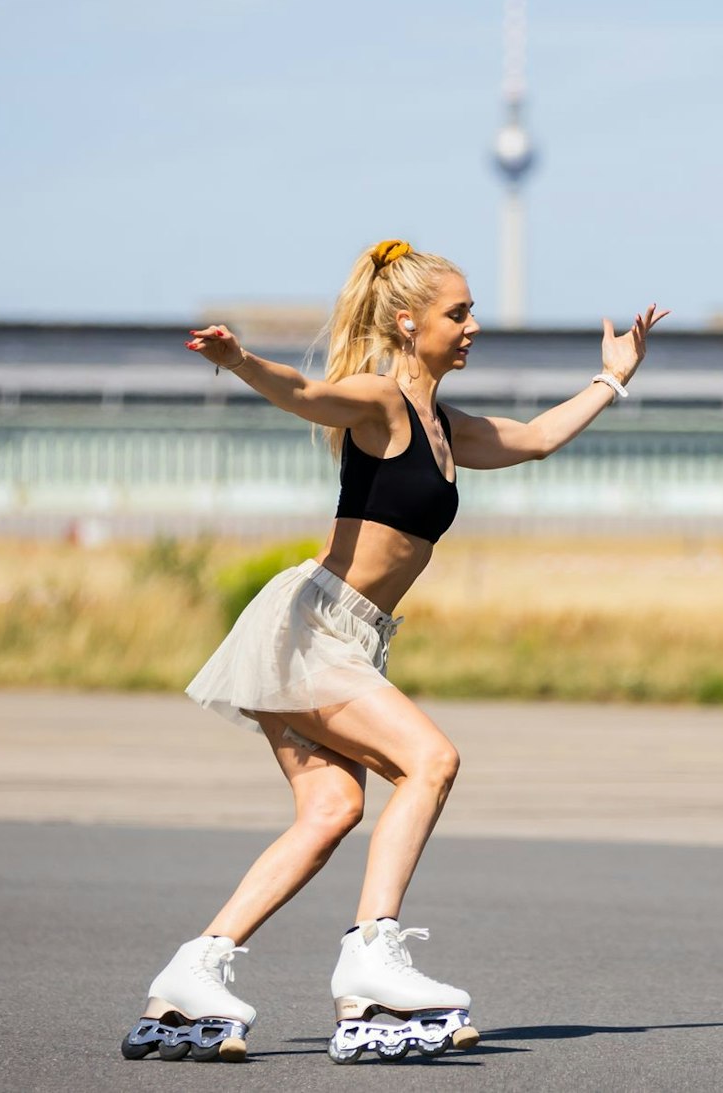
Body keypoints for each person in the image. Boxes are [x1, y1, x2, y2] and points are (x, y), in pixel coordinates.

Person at [121, 238, 667, 1064]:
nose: (474, 324)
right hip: (315, 631)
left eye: (472, 309)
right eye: (459, 312)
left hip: (344, 641)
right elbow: (307, 390)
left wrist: (612, 376)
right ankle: (372, 955)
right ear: (409, 323)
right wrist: (240, 361)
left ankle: (192, 973)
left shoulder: (445, 425)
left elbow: (534, 438)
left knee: (332, 811)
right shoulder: (381, 402)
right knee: (431, 760)